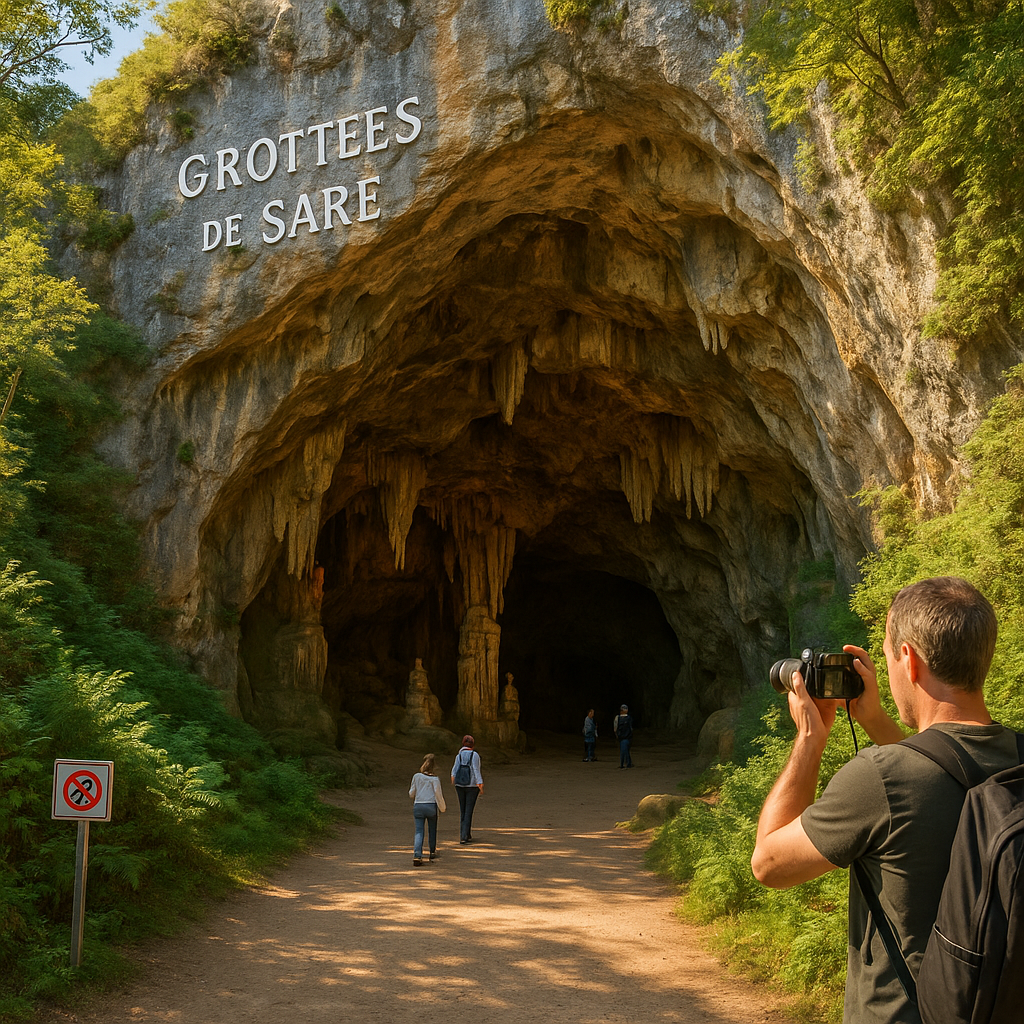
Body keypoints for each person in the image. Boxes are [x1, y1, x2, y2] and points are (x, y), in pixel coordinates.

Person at [751, 576, 1020, 1024]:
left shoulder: (881, 778)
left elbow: (770, 864)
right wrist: (875, 720)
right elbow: (941, 772)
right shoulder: (1015, 760)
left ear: (909, 660)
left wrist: (808, 741)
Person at [408, 752, 446, 866]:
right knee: (432, 829)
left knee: (419, 831)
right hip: (431, 806)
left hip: (418, 806)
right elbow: (438, 795)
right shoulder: (435, 779)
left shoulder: (416, 776)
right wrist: (442, 807)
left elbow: (411, 793)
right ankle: (432, 851)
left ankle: (417, 855)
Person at [451, 735, 484, 845]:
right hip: (472, 786)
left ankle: (465, 833)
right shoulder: (474, 755)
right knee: (468, 811)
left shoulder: (459, 755)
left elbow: (454, 771)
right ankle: (464, 836)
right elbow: (476, 769)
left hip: (460, 785)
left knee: (463, 810)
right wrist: (480, 783)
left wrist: (454, 782)